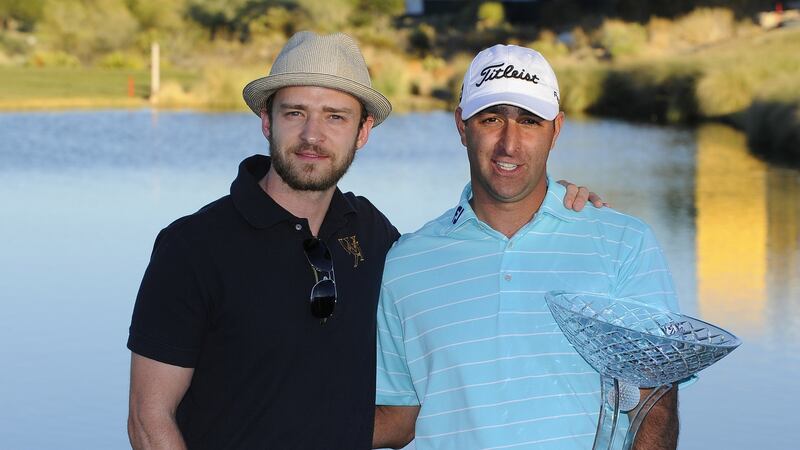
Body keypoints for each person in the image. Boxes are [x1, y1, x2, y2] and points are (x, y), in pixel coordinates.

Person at [126, 32, 601, 449]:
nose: (312, 136)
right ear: (267, 121)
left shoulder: (373, 236)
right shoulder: (193, 247)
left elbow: (459, 267)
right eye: (295, 112)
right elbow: (149, 420)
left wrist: (550, 202)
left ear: (363, 132)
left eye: (335, 117)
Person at [373, 44, 681, 450]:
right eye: (491, 119)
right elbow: (398, 417)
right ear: (462, 126)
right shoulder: (406, 264)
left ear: (556, 129)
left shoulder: (623, 243)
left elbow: (654, 403)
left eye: (530, 122)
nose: (510, 144)